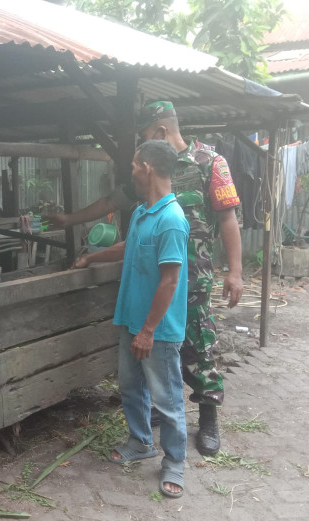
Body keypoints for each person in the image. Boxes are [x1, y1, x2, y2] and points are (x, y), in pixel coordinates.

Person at [49, 101, 244, 456]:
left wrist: (235, 272)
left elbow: (228, 219)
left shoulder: (210, 162)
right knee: (159, 348)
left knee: (198, 344)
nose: (140, 146)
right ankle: (160, 410)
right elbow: (111, 200)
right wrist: (70, 220)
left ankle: (208, 415)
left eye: (144, 136)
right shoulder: (149, 173)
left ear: (160, 131)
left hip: (193, 275)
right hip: (154, 275)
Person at [81, 140, 189, 498]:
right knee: (130, 387)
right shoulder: (144, 212)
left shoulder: (171, 220)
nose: (130, 172)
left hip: (157, 330)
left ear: (147, 168)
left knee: (167, 399)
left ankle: (175, 463)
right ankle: (141, 442)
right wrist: (91, 258)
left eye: (133, 166)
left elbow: (170, 281)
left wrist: (148, 330)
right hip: (132, 322)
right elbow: (128, 247)